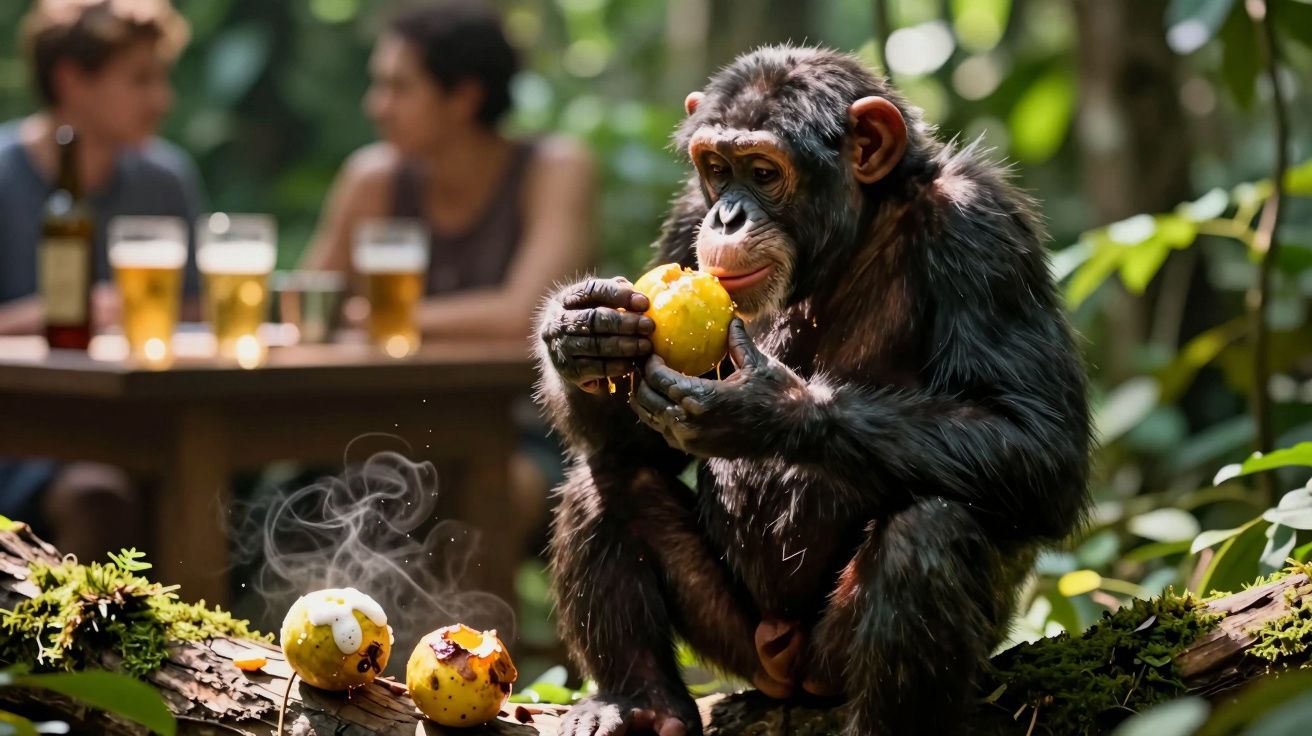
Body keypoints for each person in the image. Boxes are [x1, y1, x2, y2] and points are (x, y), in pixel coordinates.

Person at [301, 2, 595, 561]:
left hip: (522, 430)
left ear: (463, 97)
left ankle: (469, 650)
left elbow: (529, 315)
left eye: (397, 87)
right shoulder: (374, 180)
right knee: (330, 489)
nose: (376, 106)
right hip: (383, 428)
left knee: (484, 491)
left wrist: (387, 319)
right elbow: (314, 311)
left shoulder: (553, 169)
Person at [0, 0, 203, 560]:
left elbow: (196, 309)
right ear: (72, 81)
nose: (161, 99)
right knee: (98, 495)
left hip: (145, 421)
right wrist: (59, 313)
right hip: (25, 431)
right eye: (141, 79)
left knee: (202, 477)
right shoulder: (5, 174)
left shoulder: (166, 180)